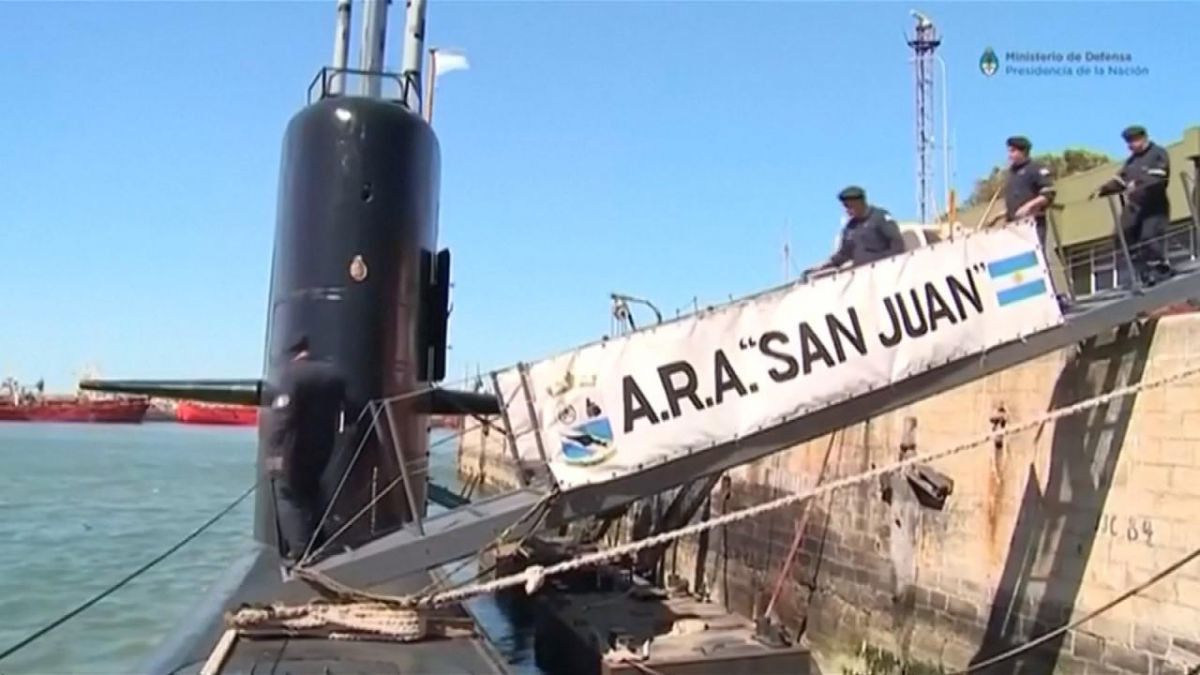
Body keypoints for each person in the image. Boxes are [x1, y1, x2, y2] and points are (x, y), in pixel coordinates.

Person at [265, 334, 349, 565]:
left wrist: (272, 456)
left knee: (287, 494)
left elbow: (283, 417)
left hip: (293, 449)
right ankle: (320, 543)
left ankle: (302, 553)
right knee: (312, 492)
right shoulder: (334, 375)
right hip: (323, 447)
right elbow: (346, 410)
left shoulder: (291, 375)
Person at [1091, 125, 1173, 286]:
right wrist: (1103, 189)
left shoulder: (1158, 153)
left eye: (1133, 141)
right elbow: (1120, 180)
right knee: (1122, 235)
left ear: (1143, 138)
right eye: (1128, 142)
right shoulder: (1131, 161)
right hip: (1135, 207)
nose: (1130, 145)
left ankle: (1159, 268)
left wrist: (1138, 182)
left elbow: (1159, 176)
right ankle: (1140, 270)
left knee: (1148, 236)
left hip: (1153, 205)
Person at [1002, 135, 1070, 308]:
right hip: (1014, 226)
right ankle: (1032, 299)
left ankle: (1056, 296)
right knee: (1020, 263)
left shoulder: (1035, 169)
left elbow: (1048, 194)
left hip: (1033, 224)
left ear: (1022, 151)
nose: (1009, 155)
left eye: (1013, 151)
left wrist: (1028, 207)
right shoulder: (1012, 173)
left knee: (1038, 259)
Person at [806, 186, 906, 275]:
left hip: (884, 272)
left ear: (860, 203)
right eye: (845, 207)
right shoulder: (850, 227)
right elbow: (844, 254)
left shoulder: (880, 217)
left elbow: (897, 245)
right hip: (860, 276)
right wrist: (823, 266)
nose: (847, 211)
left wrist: (878, 261)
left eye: (850, 206)